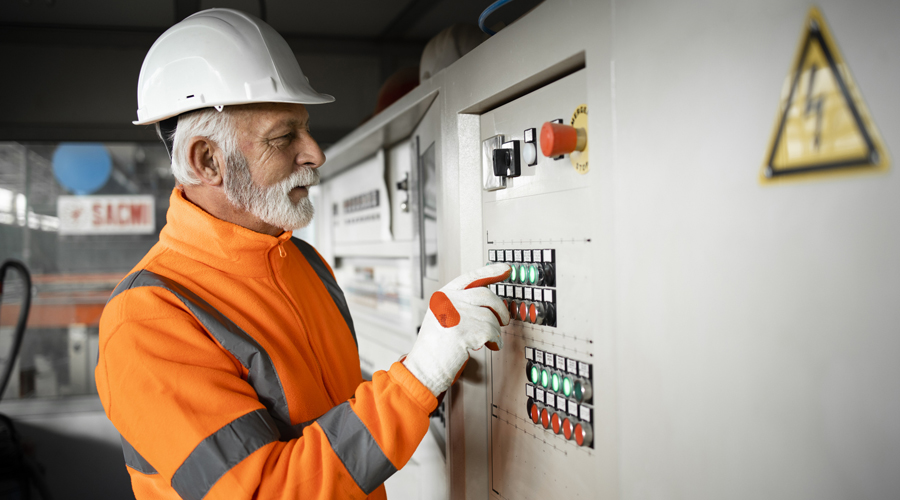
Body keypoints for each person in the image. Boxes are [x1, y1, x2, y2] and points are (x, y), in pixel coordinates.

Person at [96, 9, 510, 500]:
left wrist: (430, 367)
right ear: (206, 160)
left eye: (305, 129)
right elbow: (265, 490)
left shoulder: (303, 262)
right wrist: (419, 377)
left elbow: (336, 415)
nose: (315, 152)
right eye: (284, 136)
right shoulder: (147, 319)